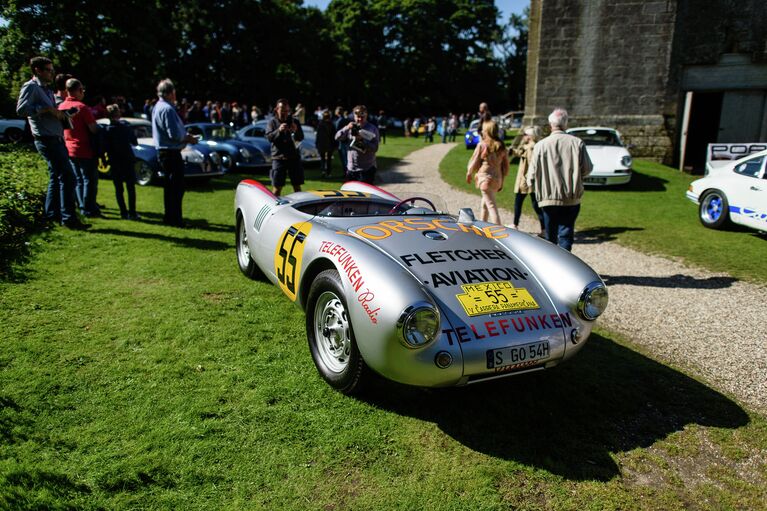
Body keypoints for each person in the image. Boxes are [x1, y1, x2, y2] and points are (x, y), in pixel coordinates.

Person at [16, 57, 87, 229]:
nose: (51, 73)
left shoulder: (46, 90)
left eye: (51, 69)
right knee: (68, 176)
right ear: (37, 70)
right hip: (46, 139)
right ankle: (68, 218)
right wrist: (45, 109)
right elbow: (21, 109)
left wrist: (63, 114)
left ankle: (52, 215)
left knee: (56, 177)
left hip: (56, 137)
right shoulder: (31, 87)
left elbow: (53, 111)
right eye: (48, 69)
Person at [527, 108, 593, 251]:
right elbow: (587, 169)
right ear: (565, 124)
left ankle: (551, 267)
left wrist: (533, 186)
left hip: (548, 197)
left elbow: (531, 175)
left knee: (550, 238)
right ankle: (565, 266)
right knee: (566, 235)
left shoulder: (540, 146)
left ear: (551, 124)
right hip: (571, 196)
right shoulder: (577, 143)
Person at [151, 79, 197, 227]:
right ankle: (175, 219)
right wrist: (188, 138)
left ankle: (170, 217)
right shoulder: (167, 109)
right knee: (176, 188)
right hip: (170, 152)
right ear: (171, 93)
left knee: (170, 187)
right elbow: (174, 134)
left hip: (165, 151)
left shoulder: (158, 107)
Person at [59, 78, 101, 218]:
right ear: (79, 90)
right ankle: (89, 208)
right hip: (84, 147)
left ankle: (82, 206)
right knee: (89, 179)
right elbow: (93, 129)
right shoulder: (82, 107)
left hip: (69, 147)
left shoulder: (61, 106)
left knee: (78, 179)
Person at [465, 120, 508, 225]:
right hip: (497, 179)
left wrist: (469, 173)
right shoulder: (501, 146)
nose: (482, 132)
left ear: (488, 131)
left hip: (485, 179)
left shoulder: (482, 145)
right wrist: (502, 180)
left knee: (492, 207)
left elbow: (474, 161)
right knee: (485, 204)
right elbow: (506, 166)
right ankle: (482, 227)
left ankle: (498, 232)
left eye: (484, 130)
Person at [104, 104, 139, 220]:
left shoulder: (107, 131)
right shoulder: (125, 127)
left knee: (119, 189)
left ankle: (123, 212)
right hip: (127, 159)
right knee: (130, 187)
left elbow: (105, 147)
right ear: (118, 114)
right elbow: (135, 142)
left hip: (115, 161)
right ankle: (133, 212)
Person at [510, 126, 545, 235]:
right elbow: (521, 153)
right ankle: (544, 229)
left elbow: (531, 165)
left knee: (520, 203)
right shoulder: (530, 147)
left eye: (525, 135)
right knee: (536, 205)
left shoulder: (531, 148)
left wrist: (526, 179)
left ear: (530, 136)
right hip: (528, 181)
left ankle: (515, 224)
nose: (523, 136)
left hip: (525, 182)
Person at [266, 98, 304, 196]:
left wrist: (295, 131)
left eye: (287, 110)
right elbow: (269, 138)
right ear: (276, 109)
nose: (284, 112)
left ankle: (299, 209)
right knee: (277, 188)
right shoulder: (272, 122)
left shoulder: (294, 121)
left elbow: (300, 138)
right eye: (282, 109)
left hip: (293, 157)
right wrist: (279, 130)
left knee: (297, 187)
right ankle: (273, 209)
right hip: (279, 158)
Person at [335, 105, 379, 184]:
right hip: (351, 169)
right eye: (357, 116)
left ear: (366, 115)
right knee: (350, 195)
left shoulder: (372, 129)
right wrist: (347, 127)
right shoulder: (350, 127)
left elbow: (375, 148)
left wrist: (362, 140)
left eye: (362, 117)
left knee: (365, 195)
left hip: (366, 170)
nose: (360, 119)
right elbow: (337, 137)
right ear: (354, 116)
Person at [316, 110, 335, 178]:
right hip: (327, 144)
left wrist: (317, 144)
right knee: (327, 160)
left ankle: (325, 172)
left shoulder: (321, 124)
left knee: (325, 159)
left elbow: (318, 136)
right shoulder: (330, 124)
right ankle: (326, 172)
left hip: (325, 145)